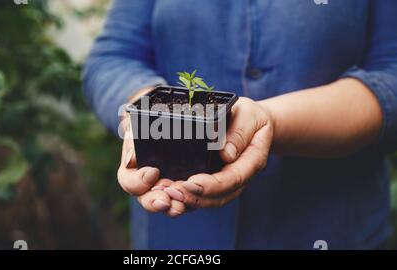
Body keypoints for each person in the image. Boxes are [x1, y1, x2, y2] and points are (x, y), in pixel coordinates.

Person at [83, 0, 397, 249]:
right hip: (178, 235)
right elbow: (113, 57)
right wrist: (147, 113)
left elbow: (391, 76)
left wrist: (270, 121)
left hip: (329, 226)